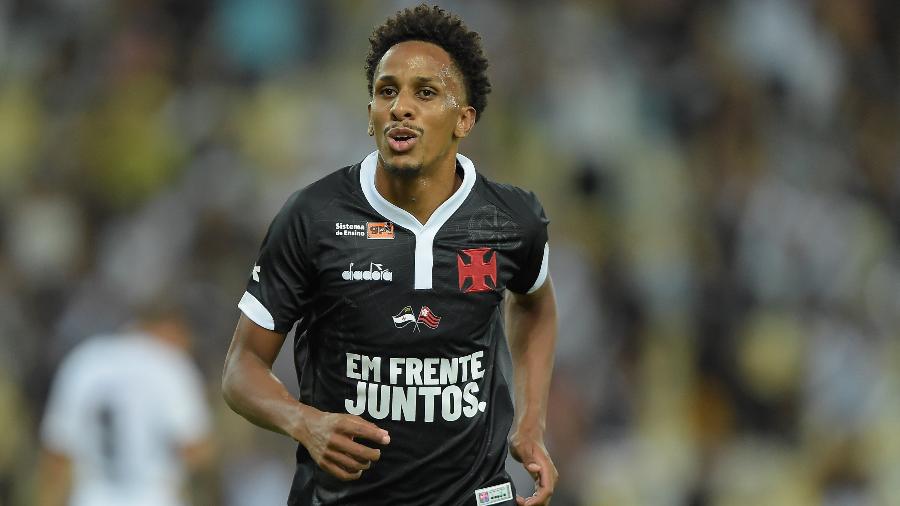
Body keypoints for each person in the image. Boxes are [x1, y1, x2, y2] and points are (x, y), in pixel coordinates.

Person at [222, 4, 559, 505]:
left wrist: (530, 424)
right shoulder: (314, 217)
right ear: (370, 117)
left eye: (425, 93)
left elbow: (535, 305)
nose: (401, 107)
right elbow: (241, 368)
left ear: (464, 119)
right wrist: (304, 422)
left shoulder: (511, 219)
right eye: (387, 91)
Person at [37, 303, 213, 506]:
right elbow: (195, 448)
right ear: (168, 326)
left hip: (91, 499)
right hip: (156, 499)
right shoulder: (170, 364)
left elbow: (56, 452)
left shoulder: (84, 361)